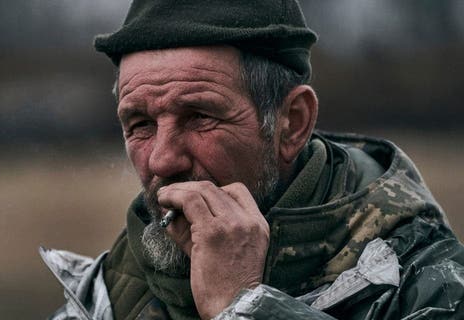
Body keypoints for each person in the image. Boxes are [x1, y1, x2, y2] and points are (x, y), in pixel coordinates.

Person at [41, 0, 464, 319]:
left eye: (200, 116)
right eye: (140, 124)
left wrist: (242, 305)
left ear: (291, 124)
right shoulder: (102, 298)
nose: (163, 160)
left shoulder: (425, 284)